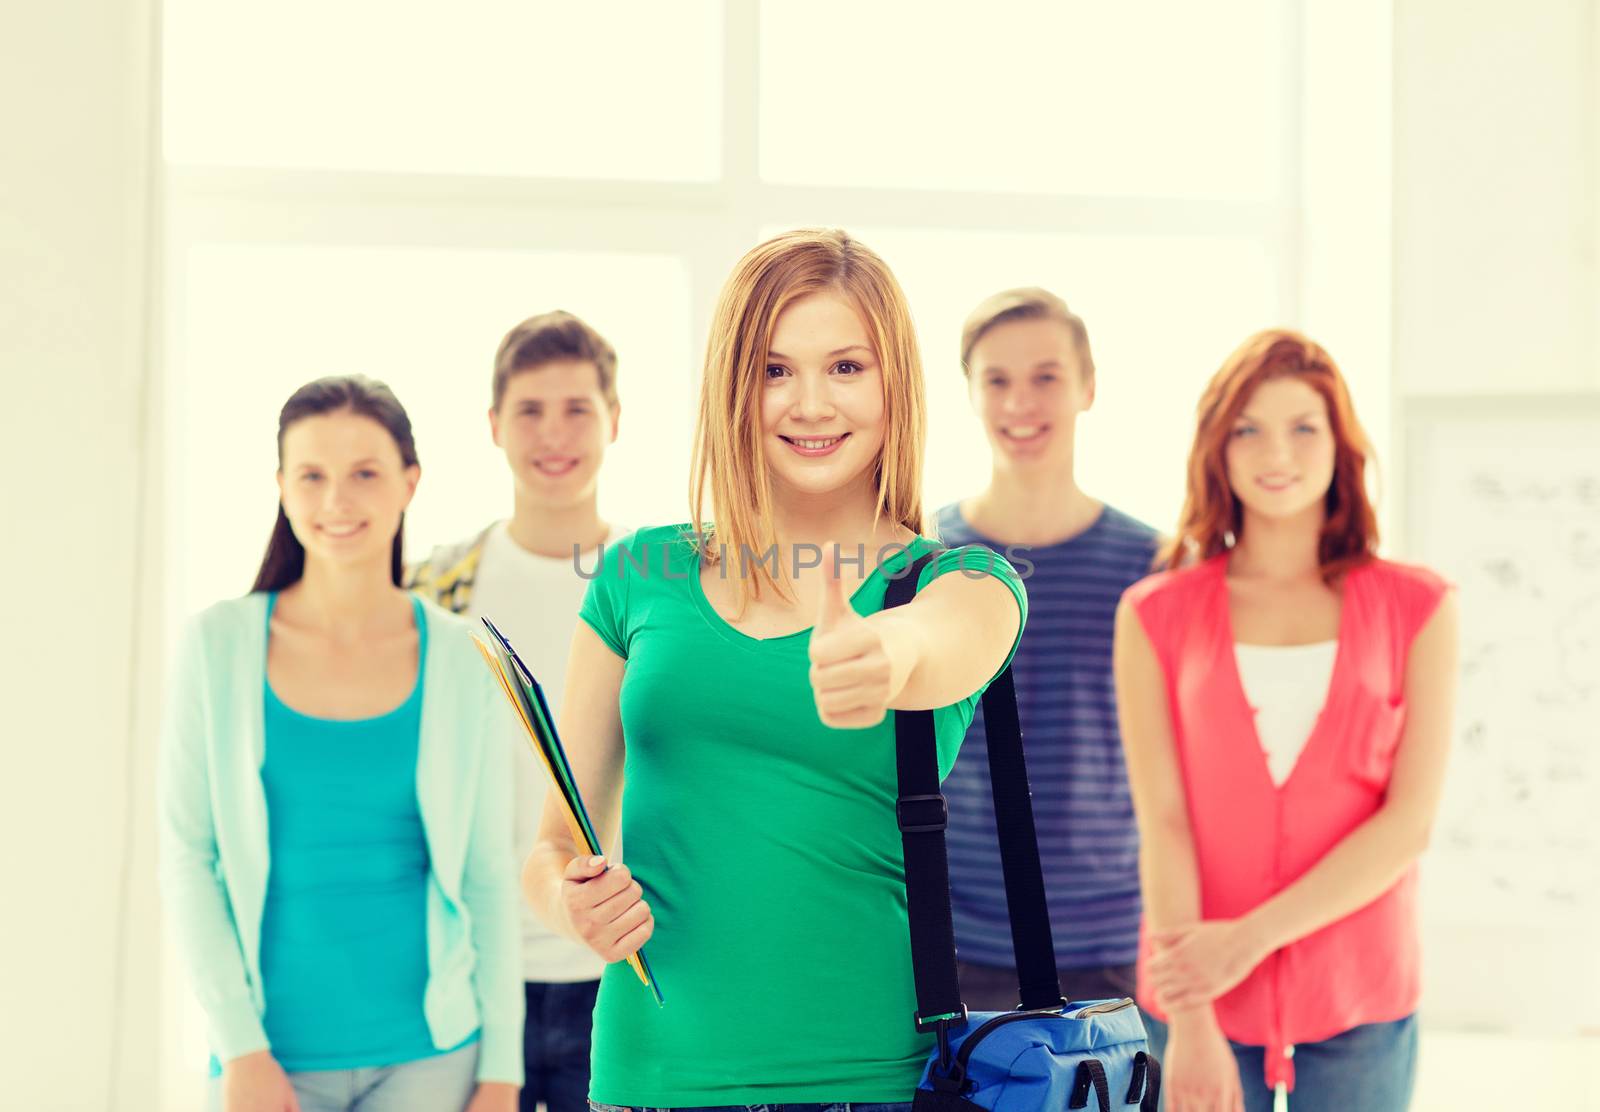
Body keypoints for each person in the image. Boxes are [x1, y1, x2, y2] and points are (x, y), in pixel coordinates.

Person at [520, 228, 1029, 1112]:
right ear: (732, 385)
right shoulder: (638, 574)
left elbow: (947, 642)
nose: (810, 404)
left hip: (867, 1083)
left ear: (892, 384)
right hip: (648, 1080)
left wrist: (886, 652)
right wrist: (572, 906)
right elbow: (554, 845)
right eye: (773, 369)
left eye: (845, 368)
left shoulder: (958, 584)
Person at [158, 376, 524, 1112]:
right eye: (313, 476)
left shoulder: (463, 659)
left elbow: (488, 872)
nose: (337, 502)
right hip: (267, 1062)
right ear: (281, 488)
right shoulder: (215, 644)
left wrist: (502, 1073)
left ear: (409, 483)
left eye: (365, 474)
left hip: (433, 1058)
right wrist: (240, 1048)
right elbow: (188, 859)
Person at [1114, 330, 1458, 1112]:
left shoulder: (1421, 607)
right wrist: (1192, 1015)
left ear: (1341, 443)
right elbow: (1164, 820)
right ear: (1218, 447)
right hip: (1195, 994)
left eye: (1304, 426)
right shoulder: (1154, 614)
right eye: (1249, 428)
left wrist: (1246, 939)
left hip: (1361, 994)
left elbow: (1408, 825)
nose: (1279, 452)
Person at [409, 310, 624, 1112]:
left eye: (577, 409)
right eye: (530, 411)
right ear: (494, 425)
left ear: (615, 421)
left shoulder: (655, 583)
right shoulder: (431, 591)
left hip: (616, 970)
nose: (553, 434)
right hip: (467, 970)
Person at [935, 288, 1160, 1009]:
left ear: (1088, 387)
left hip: (1112, 947)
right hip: (953, 942)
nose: (1019, 403)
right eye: (996, 380)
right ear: (969, 394)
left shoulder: (1152, 564)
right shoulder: (923, 558)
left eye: (1045, 377)